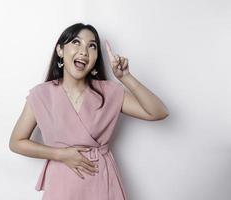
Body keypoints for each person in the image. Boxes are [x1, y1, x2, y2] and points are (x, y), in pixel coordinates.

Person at [9, 23, 169, 200]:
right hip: (62, 185)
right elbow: (16, 142)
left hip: (101, 183)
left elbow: (158, 112)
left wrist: (125, 78)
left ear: (95, 59)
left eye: (91, 46)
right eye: (76, 42)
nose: (84, 51)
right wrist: (60, 154)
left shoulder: (109, 92)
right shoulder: (41, 94)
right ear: (60, 51)